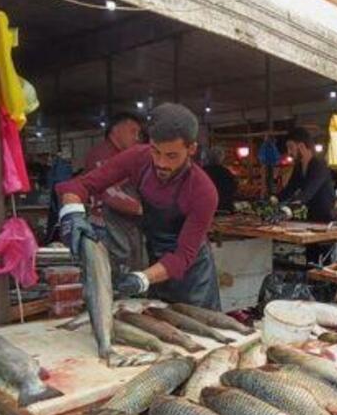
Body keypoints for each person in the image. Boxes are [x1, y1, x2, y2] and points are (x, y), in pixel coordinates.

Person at [57, 103, 221, 310]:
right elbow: (81, 184)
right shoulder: (138, 157)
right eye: (156, 151)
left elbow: (182, 257)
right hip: (156, 265)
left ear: (191, 149)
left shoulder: (203, 191)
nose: (161, 163)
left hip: (193, 278)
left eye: (171, 156)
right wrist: (72, 214)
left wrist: (141, 279)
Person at [82, 112, 146, 273]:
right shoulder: (102, 155)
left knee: (131, 272)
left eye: (138, 133)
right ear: (116, 130)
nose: (136, 137)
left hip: (125, 226)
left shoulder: (124, 156)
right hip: (107, 227)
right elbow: (109, 193)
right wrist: (143, 209)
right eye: (132, 131)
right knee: (116, 276)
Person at [277, 127, 337, 265]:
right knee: (310, 260)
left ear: (302, 146)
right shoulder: (299, 166)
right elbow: (290, 188)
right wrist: (273, 200)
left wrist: (286, 210)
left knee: (325, 262)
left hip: (325, 221)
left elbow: (307, 193)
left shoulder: (319, 165)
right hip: (310, 220)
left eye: (291, 147)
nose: (289, 152)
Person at [202, 147, 237, 213]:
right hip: (224, 207)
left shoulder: (201, 172)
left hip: (205, 208)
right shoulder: (226, 173)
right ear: (221, 158)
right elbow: (233, 188)